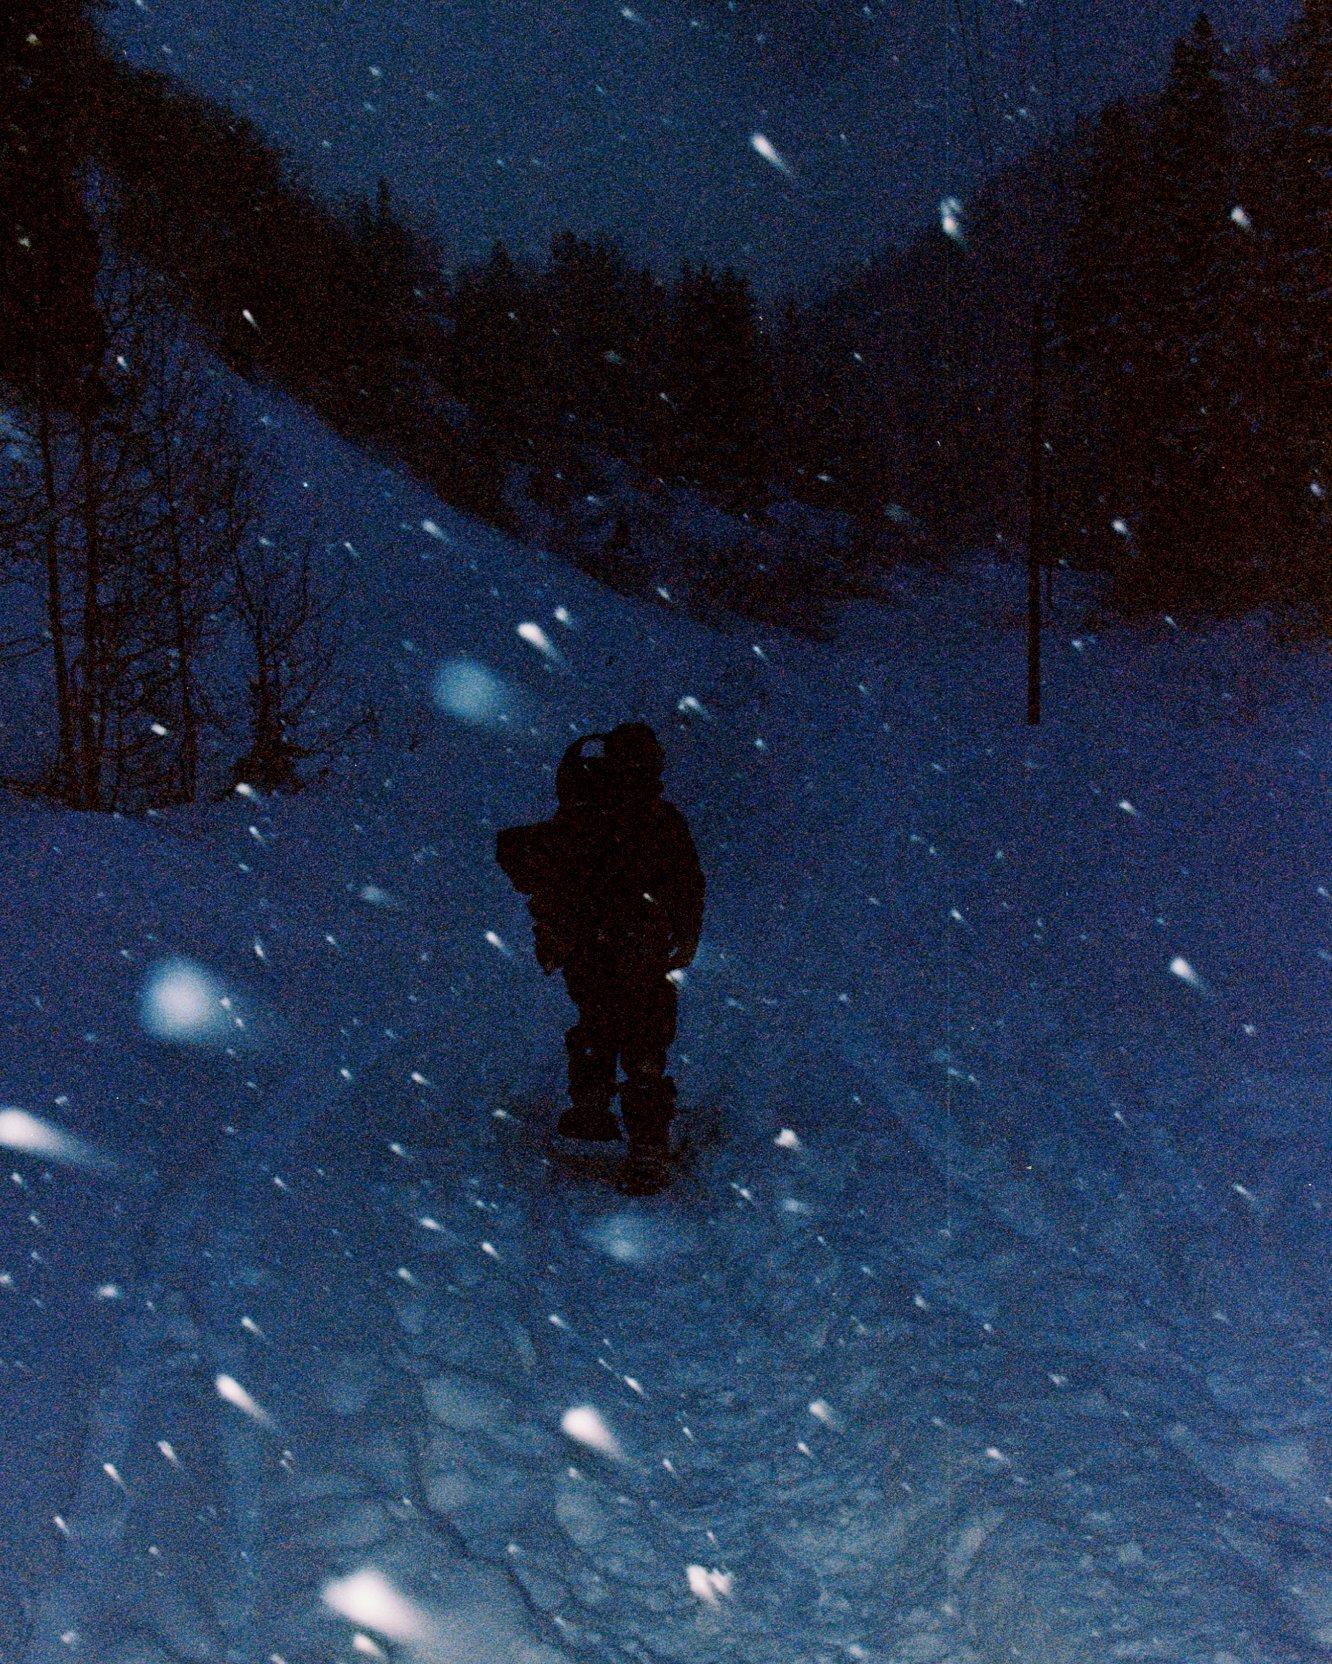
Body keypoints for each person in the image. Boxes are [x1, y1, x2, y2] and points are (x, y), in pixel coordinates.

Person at [496, 722, 704, 1195]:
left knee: (598, 1021)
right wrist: (684, 936)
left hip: (592, 943)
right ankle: (643, 1146)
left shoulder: (585, 812)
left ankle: (592, 1113)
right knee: (644, 1041)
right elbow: (688, 885)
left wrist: (558, 917)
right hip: (639, 945)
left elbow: (524, 854)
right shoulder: (656, 818)